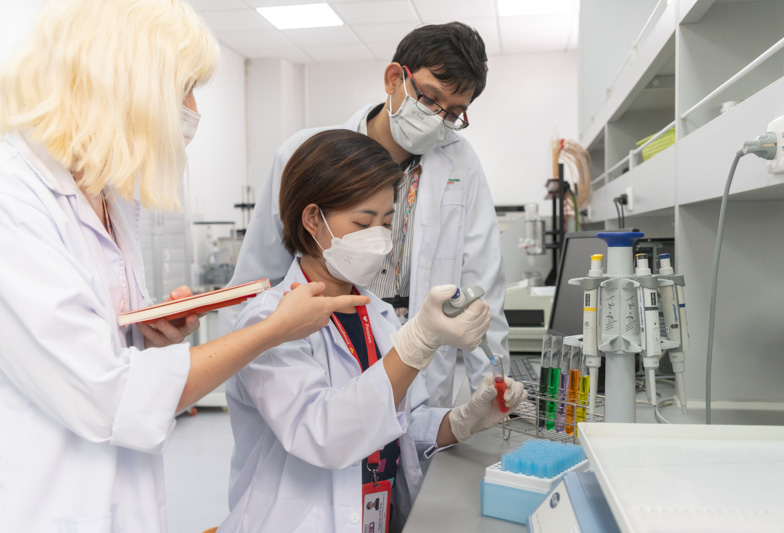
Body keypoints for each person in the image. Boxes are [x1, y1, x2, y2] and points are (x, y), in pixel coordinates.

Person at [0, 1, 368, 531]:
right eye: (182, 89)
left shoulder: (108, 196)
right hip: (47, 500)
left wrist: (147, 334)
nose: (194, 107)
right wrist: (270, 330)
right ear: (121, 83)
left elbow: (95, 346)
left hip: (119, 494)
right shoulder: (16, 200)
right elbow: (109, 396)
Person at [219, 130, 525, 532]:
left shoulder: (376, 314)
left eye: (386, 222)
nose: (379, 239)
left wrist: (460, 421)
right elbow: (326, 433)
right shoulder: (267, 322)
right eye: (363, 222)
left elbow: (394, 421)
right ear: (313, 219)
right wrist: (418, 343)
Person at [223, 22, 509, 408]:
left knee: (409, 447)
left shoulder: (459, 160)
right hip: (324, 341)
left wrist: (494, 386)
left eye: (454, 113)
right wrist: (246, 380)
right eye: (428, 99)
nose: (439, 119)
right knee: (329, 432)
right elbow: (257, 278)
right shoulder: (304, 152)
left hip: (419, 356)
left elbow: (481, 284)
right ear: (395, 78)